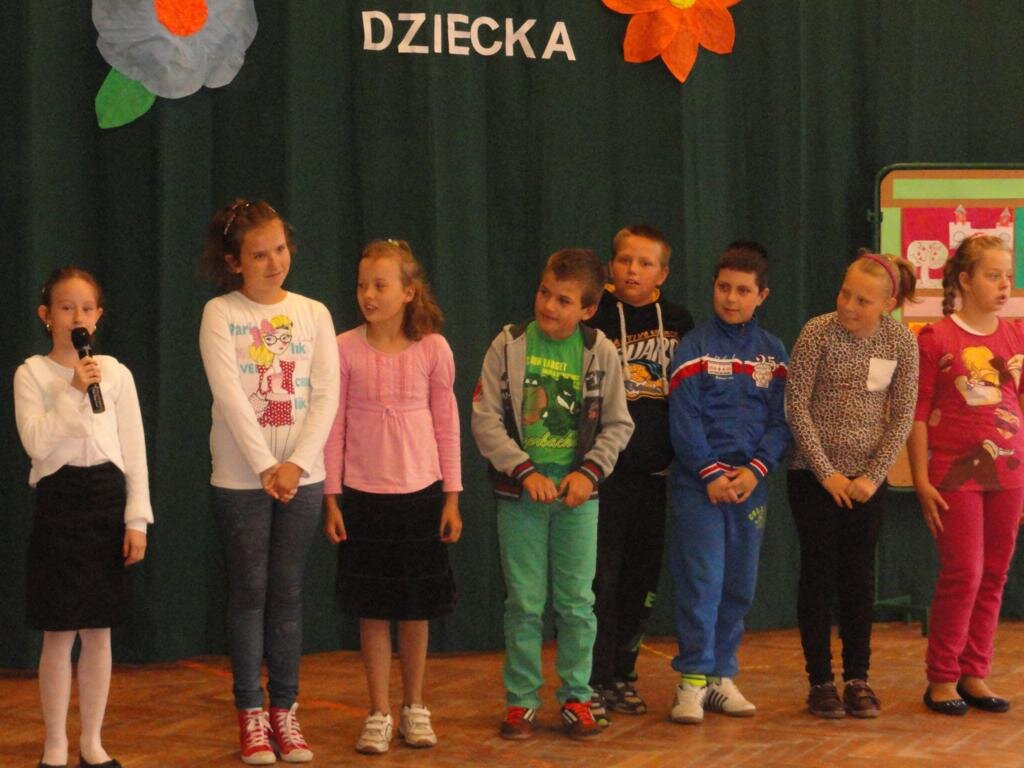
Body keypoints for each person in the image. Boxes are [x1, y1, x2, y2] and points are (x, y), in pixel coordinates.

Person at [471, 248, 634, 741]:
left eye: (564, 300)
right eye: (545, 293)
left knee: (577, 602)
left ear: (588, 309)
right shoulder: (509, 344)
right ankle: (521, 701)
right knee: (524, 602)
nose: (548, 305)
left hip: (577, 498)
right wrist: (523, 471)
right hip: (520, 495)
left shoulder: (600, 352)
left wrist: (588, 474)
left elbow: (618, 424)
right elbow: (484, 420)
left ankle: (577, 697)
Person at [199, 199, 339, 764]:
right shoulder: (220, 313)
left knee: (287, 593)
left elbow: (326, 395)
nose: (274, 262)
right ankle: (251, 713)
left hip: (302, 477)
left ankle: (285, 710)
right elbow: (231, 398)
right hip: (241, 480)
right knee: (250, 591)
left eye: (280, 249)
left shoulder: (314, 313)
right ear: (234, 262)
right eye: (259, 255)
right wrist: (263, 466)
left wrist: (297, 465)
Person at [322, 238, 463, 755]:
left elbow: (447, 424)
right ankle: (379, 710)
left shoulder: (434, 349)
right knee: (374, 609)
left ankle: (414, 705)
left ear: (408, 292)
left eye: (380, 285)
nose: (368, 294)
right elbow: (333, 426)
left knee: (415, 609)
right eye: (362, 284)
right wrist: (332, 496)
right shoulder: (343, 349)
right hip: (364, 498)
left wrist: (451, 495)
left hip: (421, 496)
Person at [14, 266, 152, 768]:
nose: (78, 317)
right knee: (59, 630)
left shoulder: (115, 373)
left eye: (87, 308)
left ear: (98, 316)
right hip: (60, 502)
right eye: (66, 307)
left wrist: (136, 519)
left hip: (107, 502)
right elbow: (36, 442)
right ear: (46, 315)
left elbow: (134, 450)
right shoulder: (31, 373)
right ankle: (55, 744)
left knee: (98, 631)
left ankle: (92, 742)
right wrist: (73, 390)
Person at [786, 251, 919, 718]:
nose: (848, 305)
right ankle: (820, 681)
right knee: (818, 574)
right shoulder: (816, 332)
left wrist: (872, 476)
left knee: (858, 579)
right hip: (813, 476)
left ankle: (858, 678)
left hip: (866, 483)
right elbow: (797, 405)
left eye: (862, 300)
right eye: (845, 293)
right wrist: (826, 473)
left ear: (888, 305)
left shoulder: (901, 342)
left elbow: (902, 416)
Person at [666, 241, 790, 724]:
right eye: (723, 288)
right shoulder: (694, 347)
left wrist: (756, 469)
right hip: (700, 486)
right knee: (703, 581)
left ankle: (721, 675)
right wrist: (710, 472)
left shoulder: (773, 353)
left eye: (742, 290)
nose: (731, 298)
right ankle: (692, 681)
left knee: (739, 584)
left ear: (762, 295)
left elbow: (781, 422)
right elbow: (684, 418)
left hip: (750, 486)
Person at [908, 234, 1024, 716]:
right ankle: (942, 677)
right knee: (965, 572)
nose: (1004, 285)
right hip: (955, 475)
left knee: (994, 573)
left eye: (1008, 277)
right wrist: (921, 480)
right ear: (965, 280)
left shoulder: (1016, 335)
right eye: (993, 276)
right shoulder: (936, 338)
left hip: (1010, 472)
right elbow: (917, 414)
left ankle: (975, 671)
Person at [585, 225, 693, 724]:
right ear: (612, 265)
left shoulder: (679, 322)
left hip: (655, 476)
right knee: (598, 581)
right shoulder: (594, 315)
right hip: (604, 478)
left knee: (639, 580)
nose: (633, 270)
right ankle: (591, 677)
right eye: (625, 260)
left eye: (645, 263)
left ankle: (622, 675)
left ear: (662, 273)